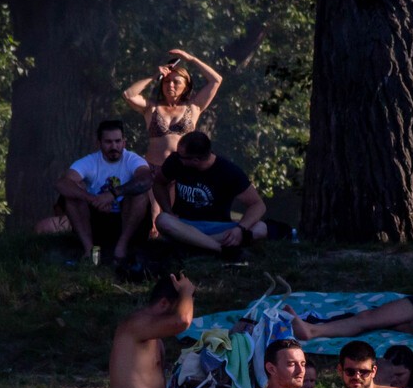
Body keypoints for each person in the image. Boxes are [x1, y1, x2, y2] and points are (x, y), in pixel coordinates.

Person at [151, 131, 268, 259]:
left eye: (181, 156)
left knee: (261, 227)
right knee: (162, 220)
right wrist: (168, 210)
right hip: (184, 225)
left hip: (218, 227)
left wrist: (240, 229)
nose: (177, 157)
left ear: (195, 160)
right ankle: (221, 249)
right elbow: (158, 183)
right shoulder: (175, 161)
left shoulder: (228, 171)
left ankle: (194, 245)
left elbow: (258, 205)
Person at [56, 120, 156, 266]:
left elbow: (146, 180)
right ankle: (89, 251)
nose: (114, 146)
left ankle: (121, 248)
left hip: (128, 223)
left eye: (117, 141)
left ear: (124, 142)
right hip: (97, 222)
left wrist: (113, 194)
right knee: (70, 197)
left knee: (140, 194)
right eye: (108, 142)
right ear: (98, 143)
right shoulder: (90, 161)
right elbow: (62, 183)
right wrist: (93, 199)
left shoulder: (133, 160)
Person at [121, 49, 224, 166]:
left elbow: (216, 80)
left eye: (176, 82)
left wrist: (191, 59)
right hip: (153, 169)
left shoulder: (194, 106)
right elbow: (128, 95)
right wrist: (155, 76)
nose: (170, 85)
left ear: (186, 87)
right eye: (166, 81)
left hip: (182, 172)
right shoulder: (151, 107)